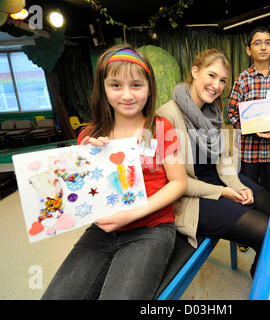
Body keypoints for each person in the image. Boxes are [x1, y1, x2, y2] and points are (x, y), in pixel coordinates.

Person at [41, 44, 186, 300]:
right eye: (116, 85)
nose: (127, 95)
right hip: (102, 231)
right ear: (103, 88)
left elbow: (178, 183)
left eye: (136, 85)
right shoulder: (88, 135)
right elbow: (78, 195)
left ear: (149, 87)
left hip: (151, 229)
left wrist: (131, 213)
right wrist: (79, 162)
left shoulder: (163, 128)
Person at [157, 49, 270, 277]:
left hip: (218, 179)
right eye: (211, 76)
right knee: (268, 230)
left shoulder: (212, 110)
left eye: (222, 80)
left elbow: (223, 160)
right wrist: (224, 192)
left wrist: (239, 187)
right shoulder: (166, 115)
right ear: (195, 72)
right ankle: (261, 275)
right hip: (191, 195)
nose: (216, 85)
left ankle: (261, 264)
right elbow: (175, 182)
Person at [227, 26, 270, 195]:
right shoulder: (242, 80)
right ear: (248, 50)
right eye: (257, 43)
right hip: (249, 154)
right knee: (249, 195)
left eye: (268, 43)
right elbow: (232, 112)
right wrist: (252, 129)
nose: (263, 47)